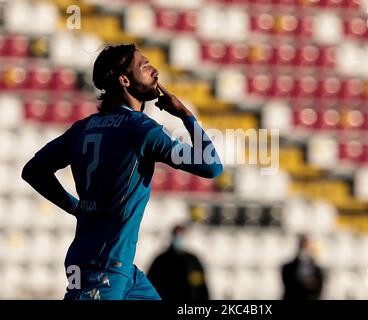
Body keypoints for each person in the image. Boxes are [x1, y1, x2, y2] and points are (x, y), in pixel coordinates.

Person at [21, 44, 223, 300]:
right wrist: (185, 114)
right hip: (104, 268)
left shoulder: (84, 128)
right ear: (125, 80)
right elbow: (212, 166)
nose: (155, 71)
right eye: (145, 66)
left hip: (118, 269)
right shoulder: (141, 129)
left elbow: (33, 170)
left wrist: (77, 207)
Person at [147, 225, 209, 301]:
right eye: (177, 235)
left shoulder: (193, 261)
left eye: (181, 235)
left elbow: (201, 287)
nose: (179, 238)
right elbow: (150, 285)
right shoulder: (161, 260)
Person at [281, 234, 323, 300]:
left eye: (306, 244)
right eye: (303, 244)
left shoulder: (317, 269)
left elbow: (318, 286)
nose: (305, 247)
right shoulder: (288, 268)